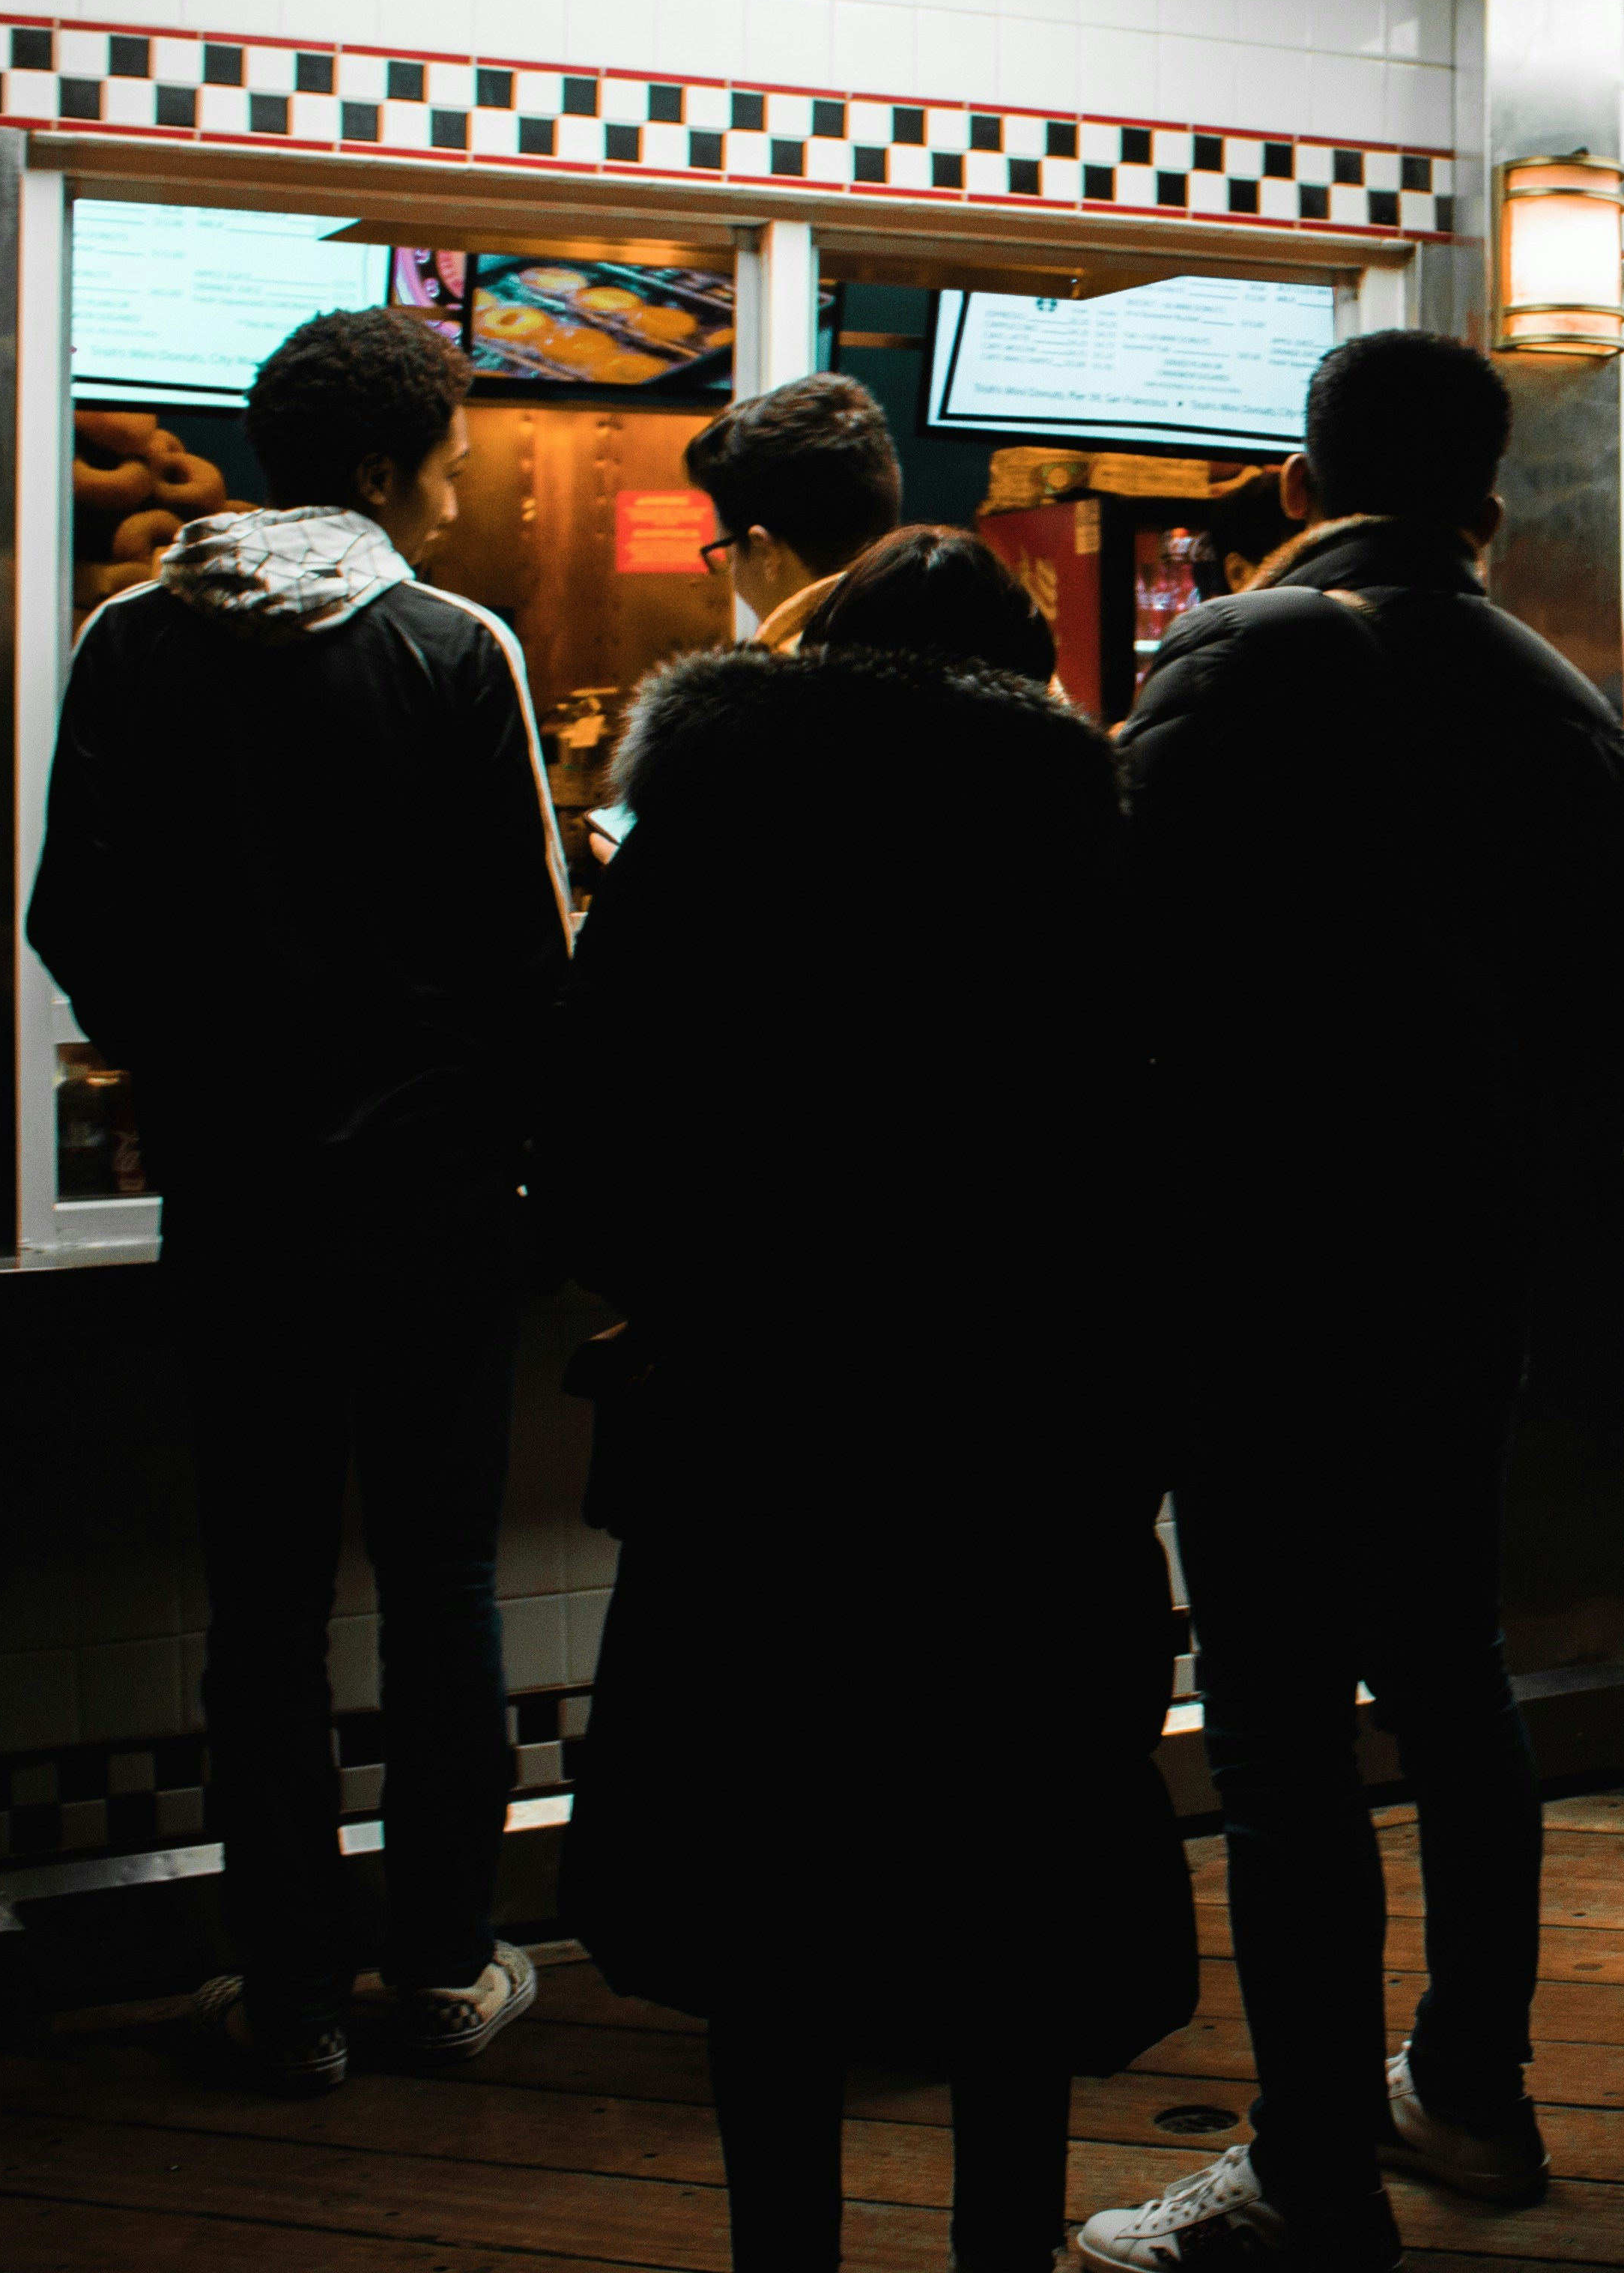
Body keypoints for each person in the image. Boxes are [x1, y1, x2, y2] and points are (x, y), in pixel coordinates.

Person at [1081, 332, 1624, 2272]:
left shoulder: (1236, 654)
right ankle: (1475, 2094)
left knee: (1274, 1738)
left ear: (1294, 478)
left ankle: (1312, 2176)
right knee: (1450, 1680)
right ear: (1488, 502)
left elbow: (1120, 969)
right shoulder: (1555, 696)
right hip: (1465, 1268)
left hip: (1256, 1269)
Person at [562, 524, 1175, 2272]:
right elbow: (1160, 1154)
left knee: (776, 1907)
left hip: (762, 1443)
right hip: (1020, 1450)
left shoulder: (701, 827)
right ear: (1026, 669)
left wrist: (699, 1298)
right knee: (1008, 1889)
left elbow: (589, 1141)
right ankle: (1001, 2246)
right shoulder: (1087, 835)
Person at [25, 309, 569, 2092]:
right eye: (447, 451)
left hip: (238, 1203)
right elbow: (527, 955)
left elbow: (70, 922)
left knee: (262, 1600)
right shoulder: (449, 643)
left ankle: (291, 1996)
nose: (463, 476)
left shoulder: (129, 639)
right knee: (438, 1584)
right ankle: (435, 1967)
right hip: (431, 1205)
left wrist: (188, 1066)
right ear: (376, 469)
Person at [685, 371, 909, 650]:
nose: (731, 578)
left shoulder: (757, 691)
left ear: (765, 550)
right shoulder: (964, 648)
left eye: (727, 555)